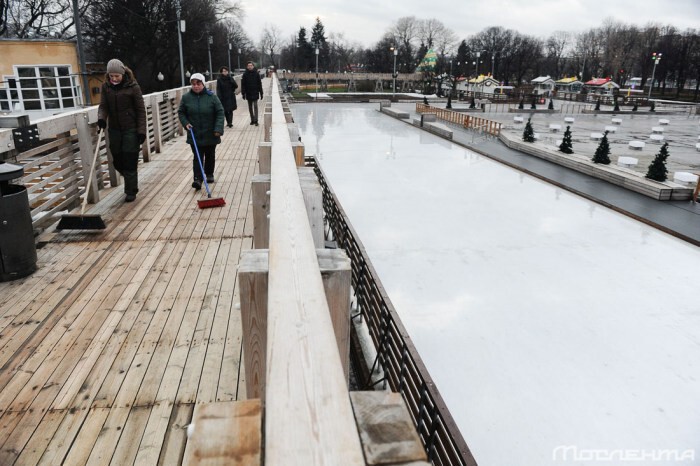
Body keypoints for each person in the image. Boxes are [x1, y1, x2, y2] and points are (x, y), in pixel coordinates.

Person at [97, 58, 146, 202]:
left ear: (123, 73)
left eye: (116, 76)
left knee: (130, 159)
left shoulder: (133, 87)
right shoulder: (106, 87)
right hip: (114, 129)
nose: (114, 78)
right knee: (117, 159)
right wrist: (101, 118)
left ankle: (131, 190)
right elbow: (103, 106)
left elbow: (140, 110)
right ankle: (131, 177)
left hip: (131, 128)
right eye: (111, 76)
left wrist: (141, 131)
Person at [178, 73, 224, 190]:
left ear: (203, 84)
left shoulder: (212, 97)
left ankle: (209, 174)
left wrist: (218, 129)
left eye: (198, 84)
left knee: (210, 155)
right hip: (195, 132)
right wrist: (185, 123)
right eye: (193, 84)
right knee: (197, 156)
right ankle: (197, 179)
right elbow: (181, 112)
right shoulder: (186, 98)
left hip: (210, 132)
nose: (196, 86)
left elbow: (220, 112)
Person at [240, 61, 263, 126]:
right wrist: (243, 93)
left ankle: (256, 120)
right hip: (248, 92)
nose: (250, 67)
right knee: (250, 107)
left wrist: (261, 93)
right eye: (248, 66)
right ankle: (252, 120)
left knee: (255, 106)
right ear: (247, 67)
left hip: (255, 92)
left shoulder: (256, 74)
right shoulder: (245, 74)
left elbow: (259, 84)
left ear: (253, 66)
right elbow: (243, 84)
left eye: (251, 65)